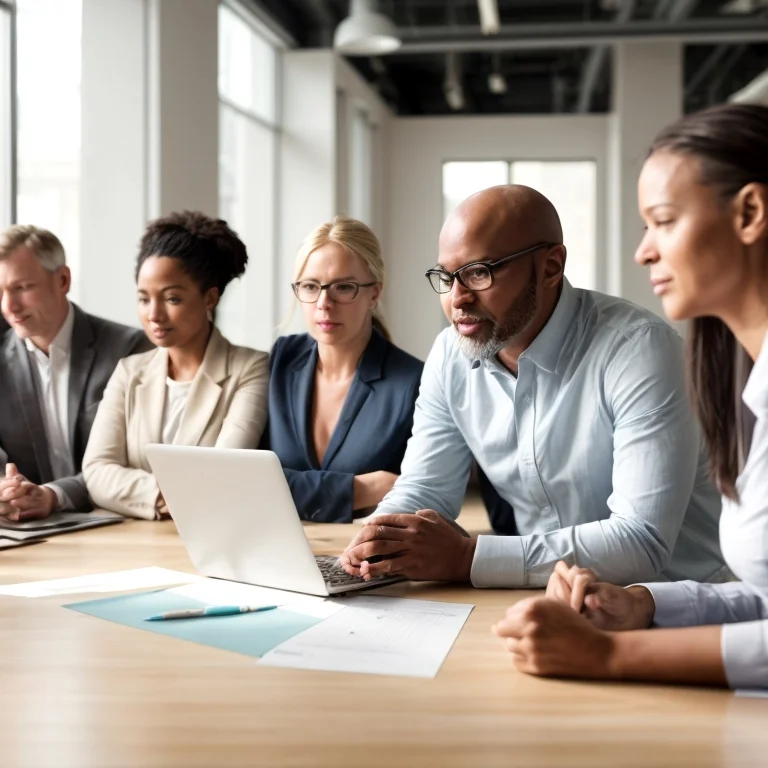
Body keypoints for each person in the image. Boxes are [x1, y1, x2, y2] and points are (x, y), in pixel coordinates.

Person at [491, 103, 768, 691]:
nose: (644, 251)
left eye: (664, 221)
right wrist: (643, 605)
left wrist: (608, 658)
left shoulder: (647, 348)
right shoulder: (744, 382)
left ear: (749, 212)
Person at [340, 184, 726, 588]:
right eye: (446, 276)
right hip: (553, 593)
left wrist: (468, 557)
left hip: (685, 607)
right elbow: (425, 486)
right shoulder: (450, 355)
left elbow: (641, 541)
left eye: (478, 272)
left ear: (550, 267)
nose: (457, 298)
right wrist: (379, 537)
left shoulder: (640, 351)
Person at [83, 211, 269, 520]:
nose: (154, 314)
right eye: (144, 299)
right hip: (128, 541)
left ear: (209, 298)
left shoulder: (250, 369)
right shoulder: (129, 372)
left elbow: (224, 476)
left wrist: (132, 490)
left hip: (212, 538)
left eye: (171, 299)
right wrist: (162, 495)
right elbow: (96, 471)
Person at [263, 215, 423, 522]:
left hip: (367, 556)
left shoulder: (412, 384)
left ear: (374, 293)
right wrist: (360, 488)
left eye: (343, 287)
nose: (324, 303)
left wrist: (293, 487)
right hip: (275, 549)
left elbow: (415, 495)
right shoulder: (282, 359)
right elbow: (250, 480)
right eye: (311, 286)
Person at [0, 225, 150, 520]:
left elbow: (135, 460)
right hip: (32, 530)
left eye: (22, 288)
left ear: (63, 280)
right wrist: (8, 490)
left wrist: (54, 495)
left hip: (116, 524)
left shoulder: (129, 350)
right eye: (1, 291)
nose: (9, 306)